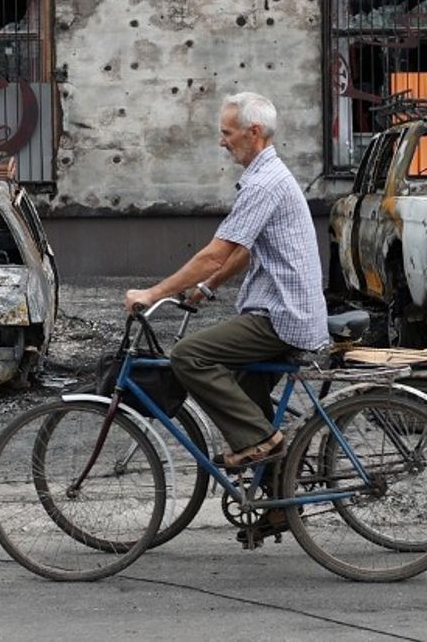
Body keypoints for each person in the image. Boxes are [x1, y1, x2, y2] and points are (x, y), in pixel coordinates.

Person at [123, 91, 327, 469]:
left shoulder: (263, 184)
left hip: (282, 316)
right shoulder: (270, 176)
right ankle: (275, 502)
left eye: (227, 133)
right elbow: (245, 250)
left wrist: (153, 293)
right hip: (288, 310)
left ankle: (262, 442)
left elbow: (215, 253)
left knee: (189, 355)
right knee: (246, 392)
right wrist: (208, 286)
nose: (221, 141)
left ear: (253, 132)